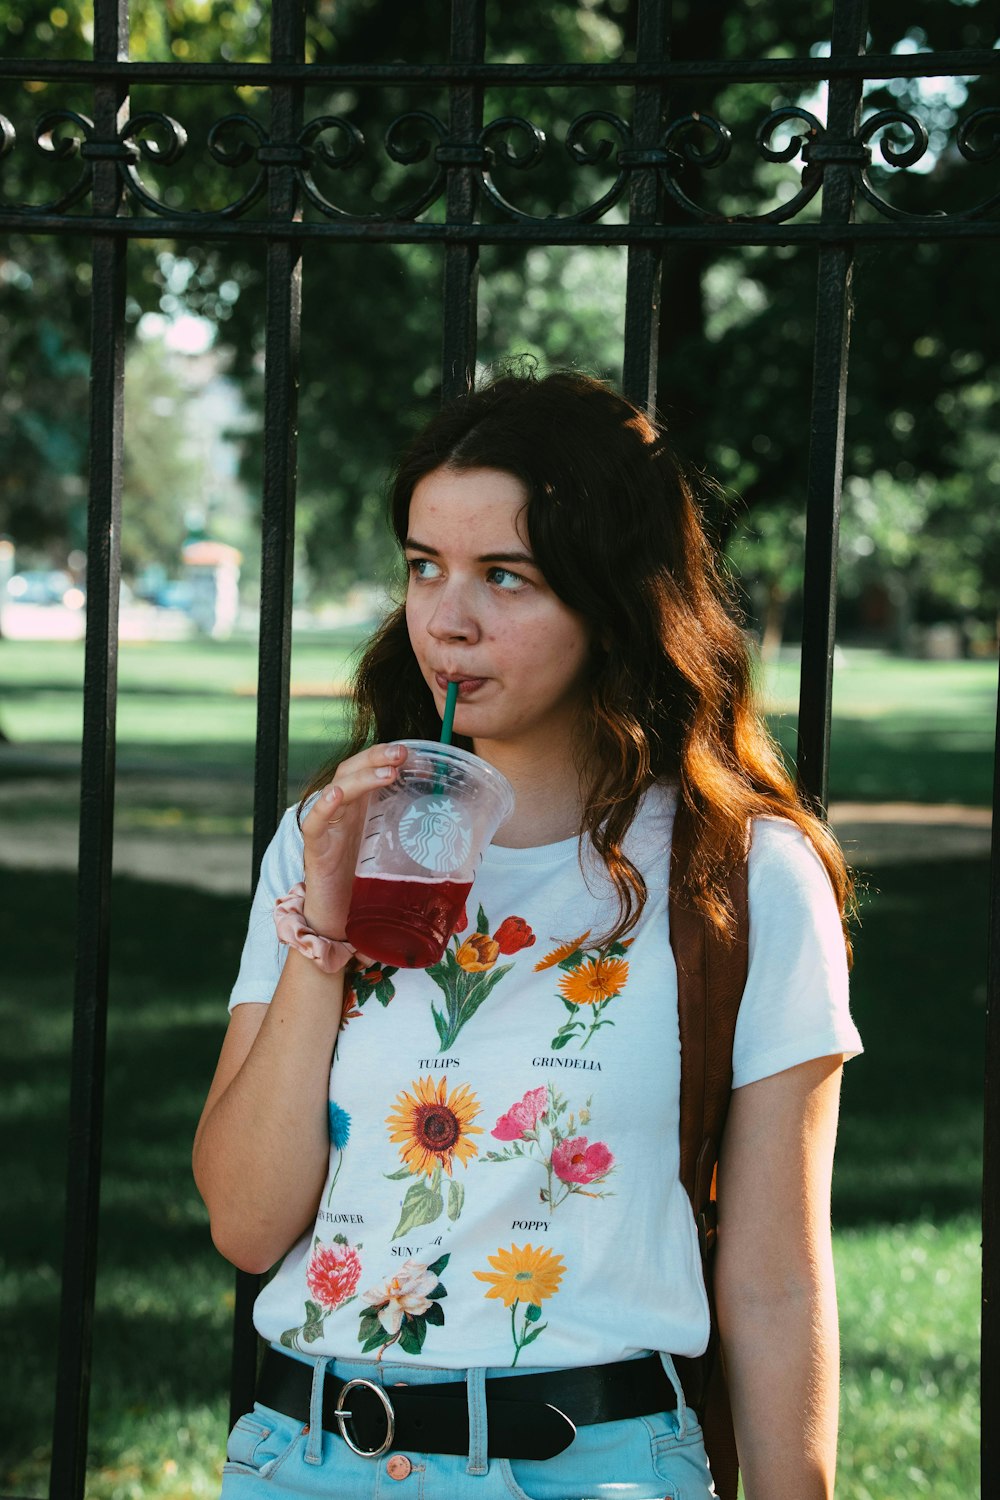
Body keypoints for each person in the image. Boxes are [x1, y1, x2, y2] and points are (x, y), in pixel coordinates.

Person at [193, 369, 862, 1500]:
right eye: (423, 566)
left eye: (506, 576)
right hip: (308, 1459)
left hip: (592, 1466)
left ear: (612, 598)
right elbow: (249, 1224)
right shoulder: (330, 839)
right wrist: (322, 932)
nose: (446, 620)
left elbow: (775, 1282)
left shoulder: (742, 877)